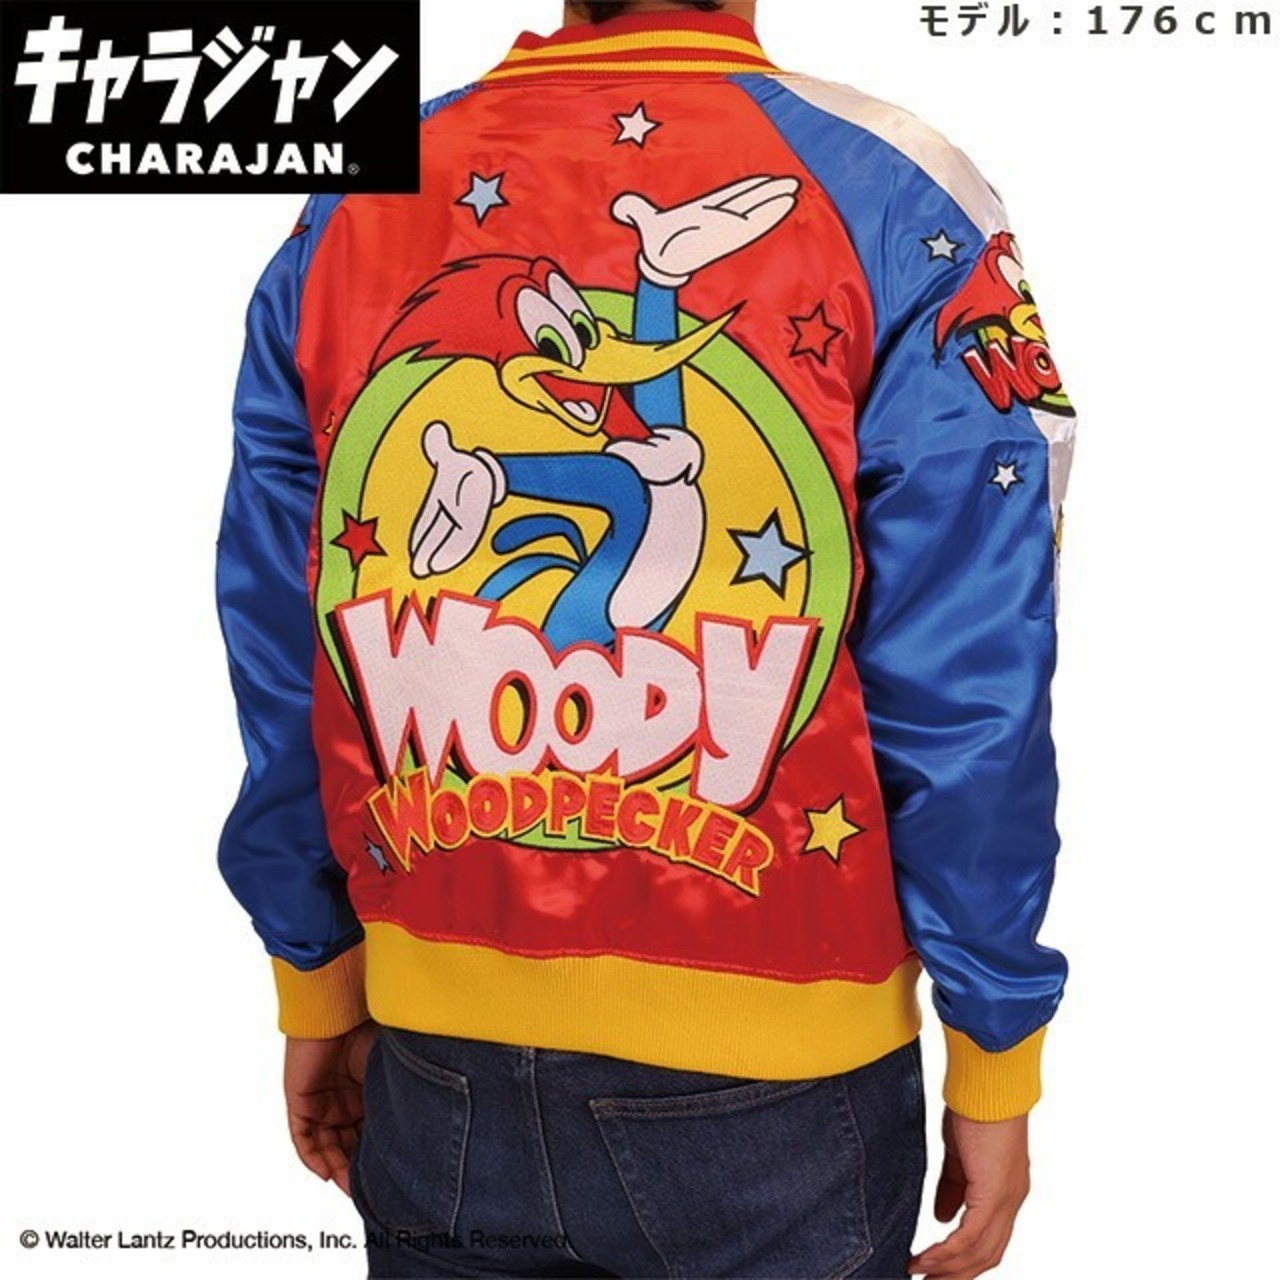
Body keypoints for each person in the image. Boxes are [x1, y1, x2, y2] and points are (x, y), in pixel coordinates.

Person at [214, 0, 1078, 1275]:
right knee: (641, 501)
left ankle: (501, 486)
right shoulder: (895, 189)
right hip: (778, 1082)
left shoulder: (356, 201)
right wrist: (993, 1045)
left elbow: (283, 629)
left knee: (631, 501)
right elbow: (970, 663)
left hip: (433, 1049)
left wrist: (317, 971)